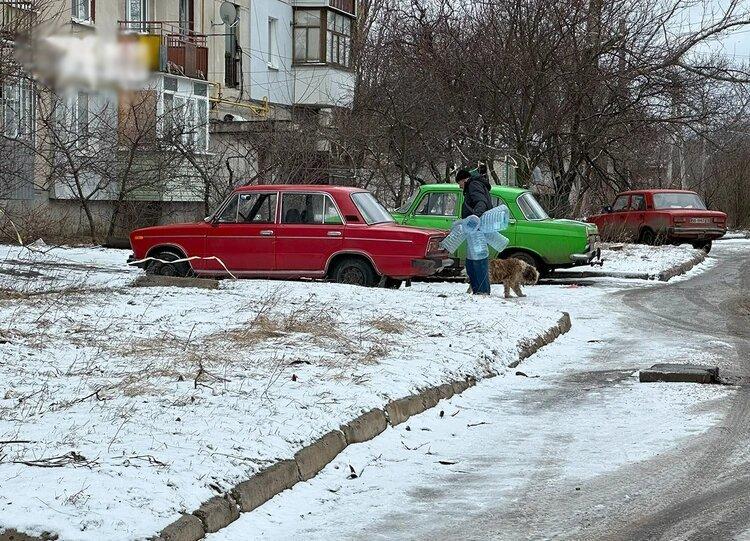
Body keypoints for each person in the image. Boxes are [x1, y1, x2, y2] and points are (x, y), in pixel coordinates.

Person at [456, 168, 492, 295]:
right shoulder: (475, 185)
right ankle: (477, 289)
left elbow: (481, 203)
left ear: (464, 179)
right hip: (474, 230)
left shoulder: (473, 185)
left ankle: (482, 291)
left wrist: (474, 218)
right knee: (471, 262)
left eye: (459, 183)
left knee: (478, 261)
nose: (459, 186)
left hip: (477, 229)